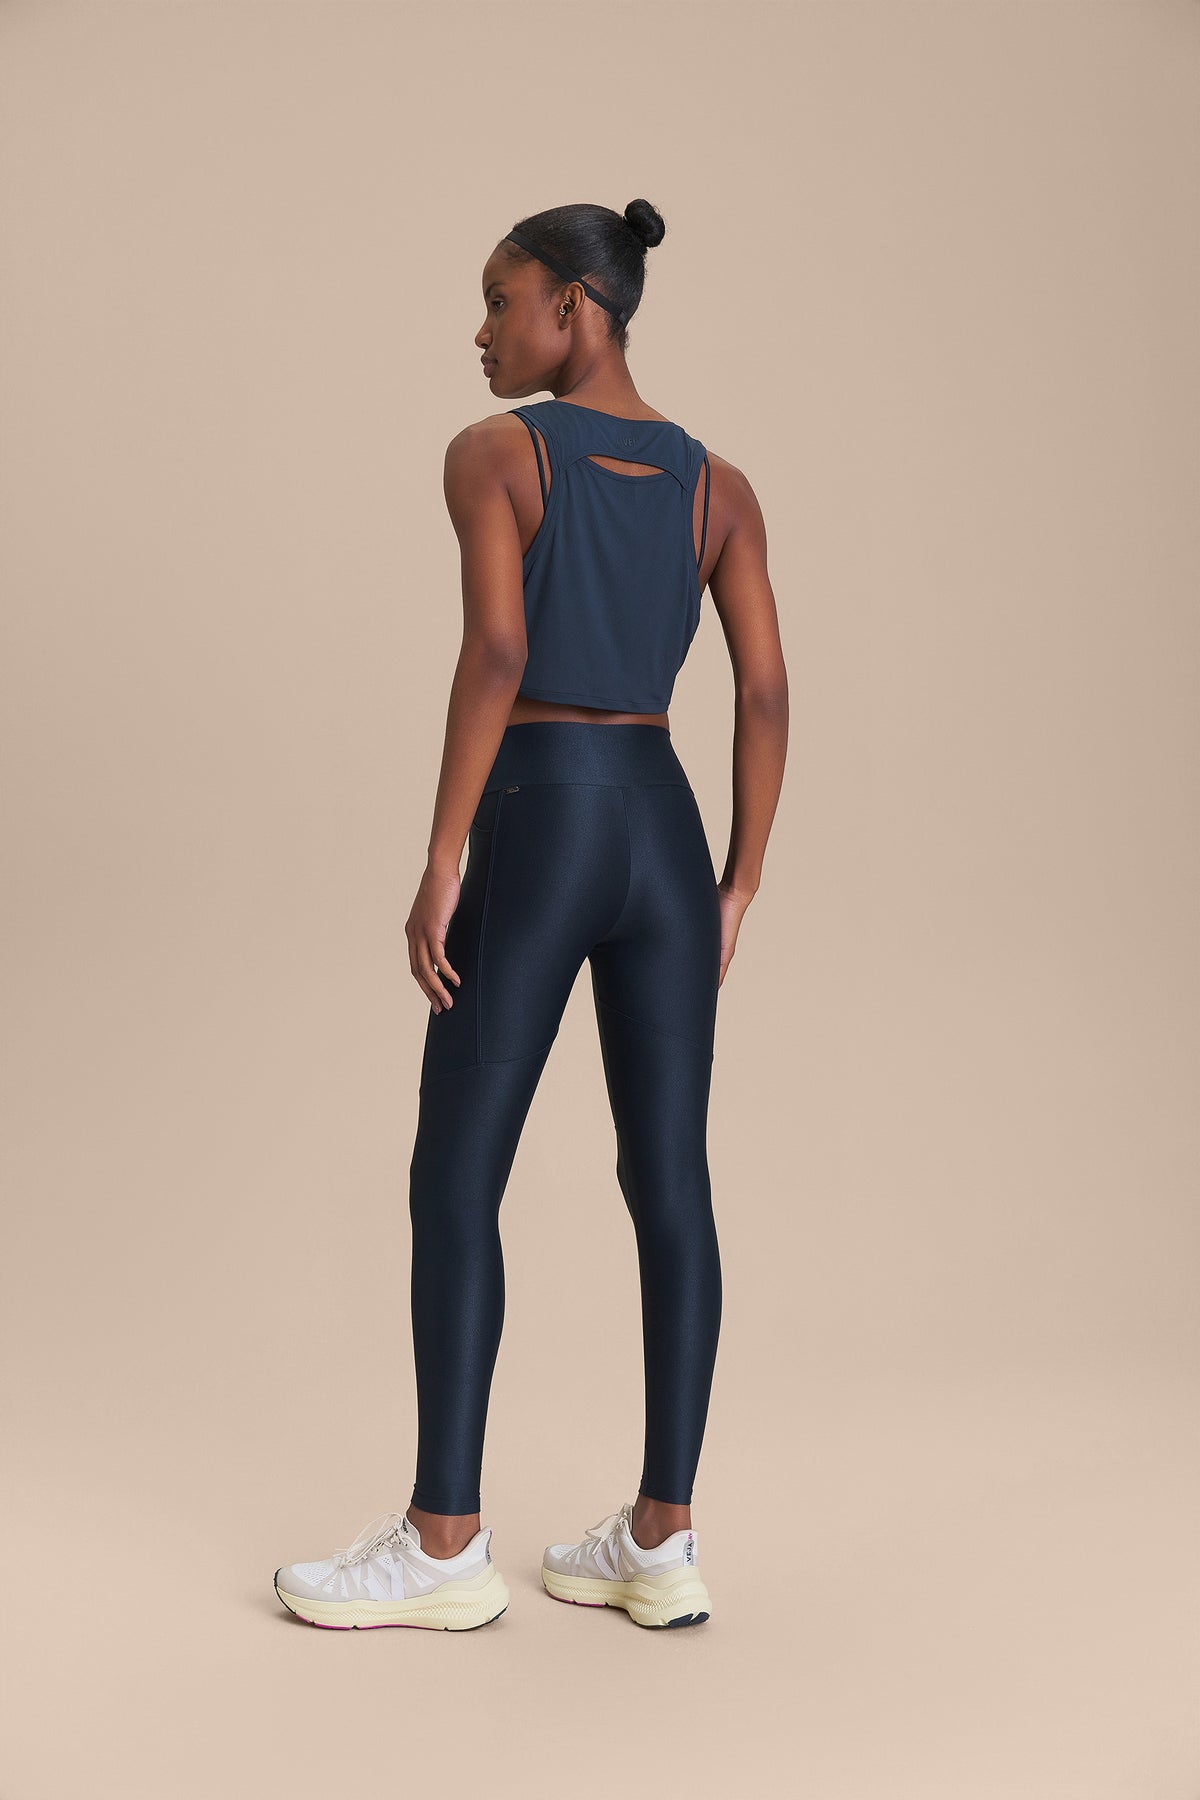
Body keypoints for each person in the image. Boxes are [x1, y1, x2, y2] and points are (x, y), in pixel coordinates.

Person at [274, 198, 788, 1632]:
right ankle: (662, 1540)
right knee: (669, 1178)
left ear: (575, 305)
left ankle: (444, 1545)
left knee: (458, 1171)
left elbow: (499, 647)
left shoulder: (497, 455)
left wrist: (444, 854)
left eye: (501, 301)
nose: (483, 331)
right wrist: (739, 882)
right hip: (663, 826)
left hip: (544, 814)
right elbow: (761, 690)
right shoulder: (719, 487)